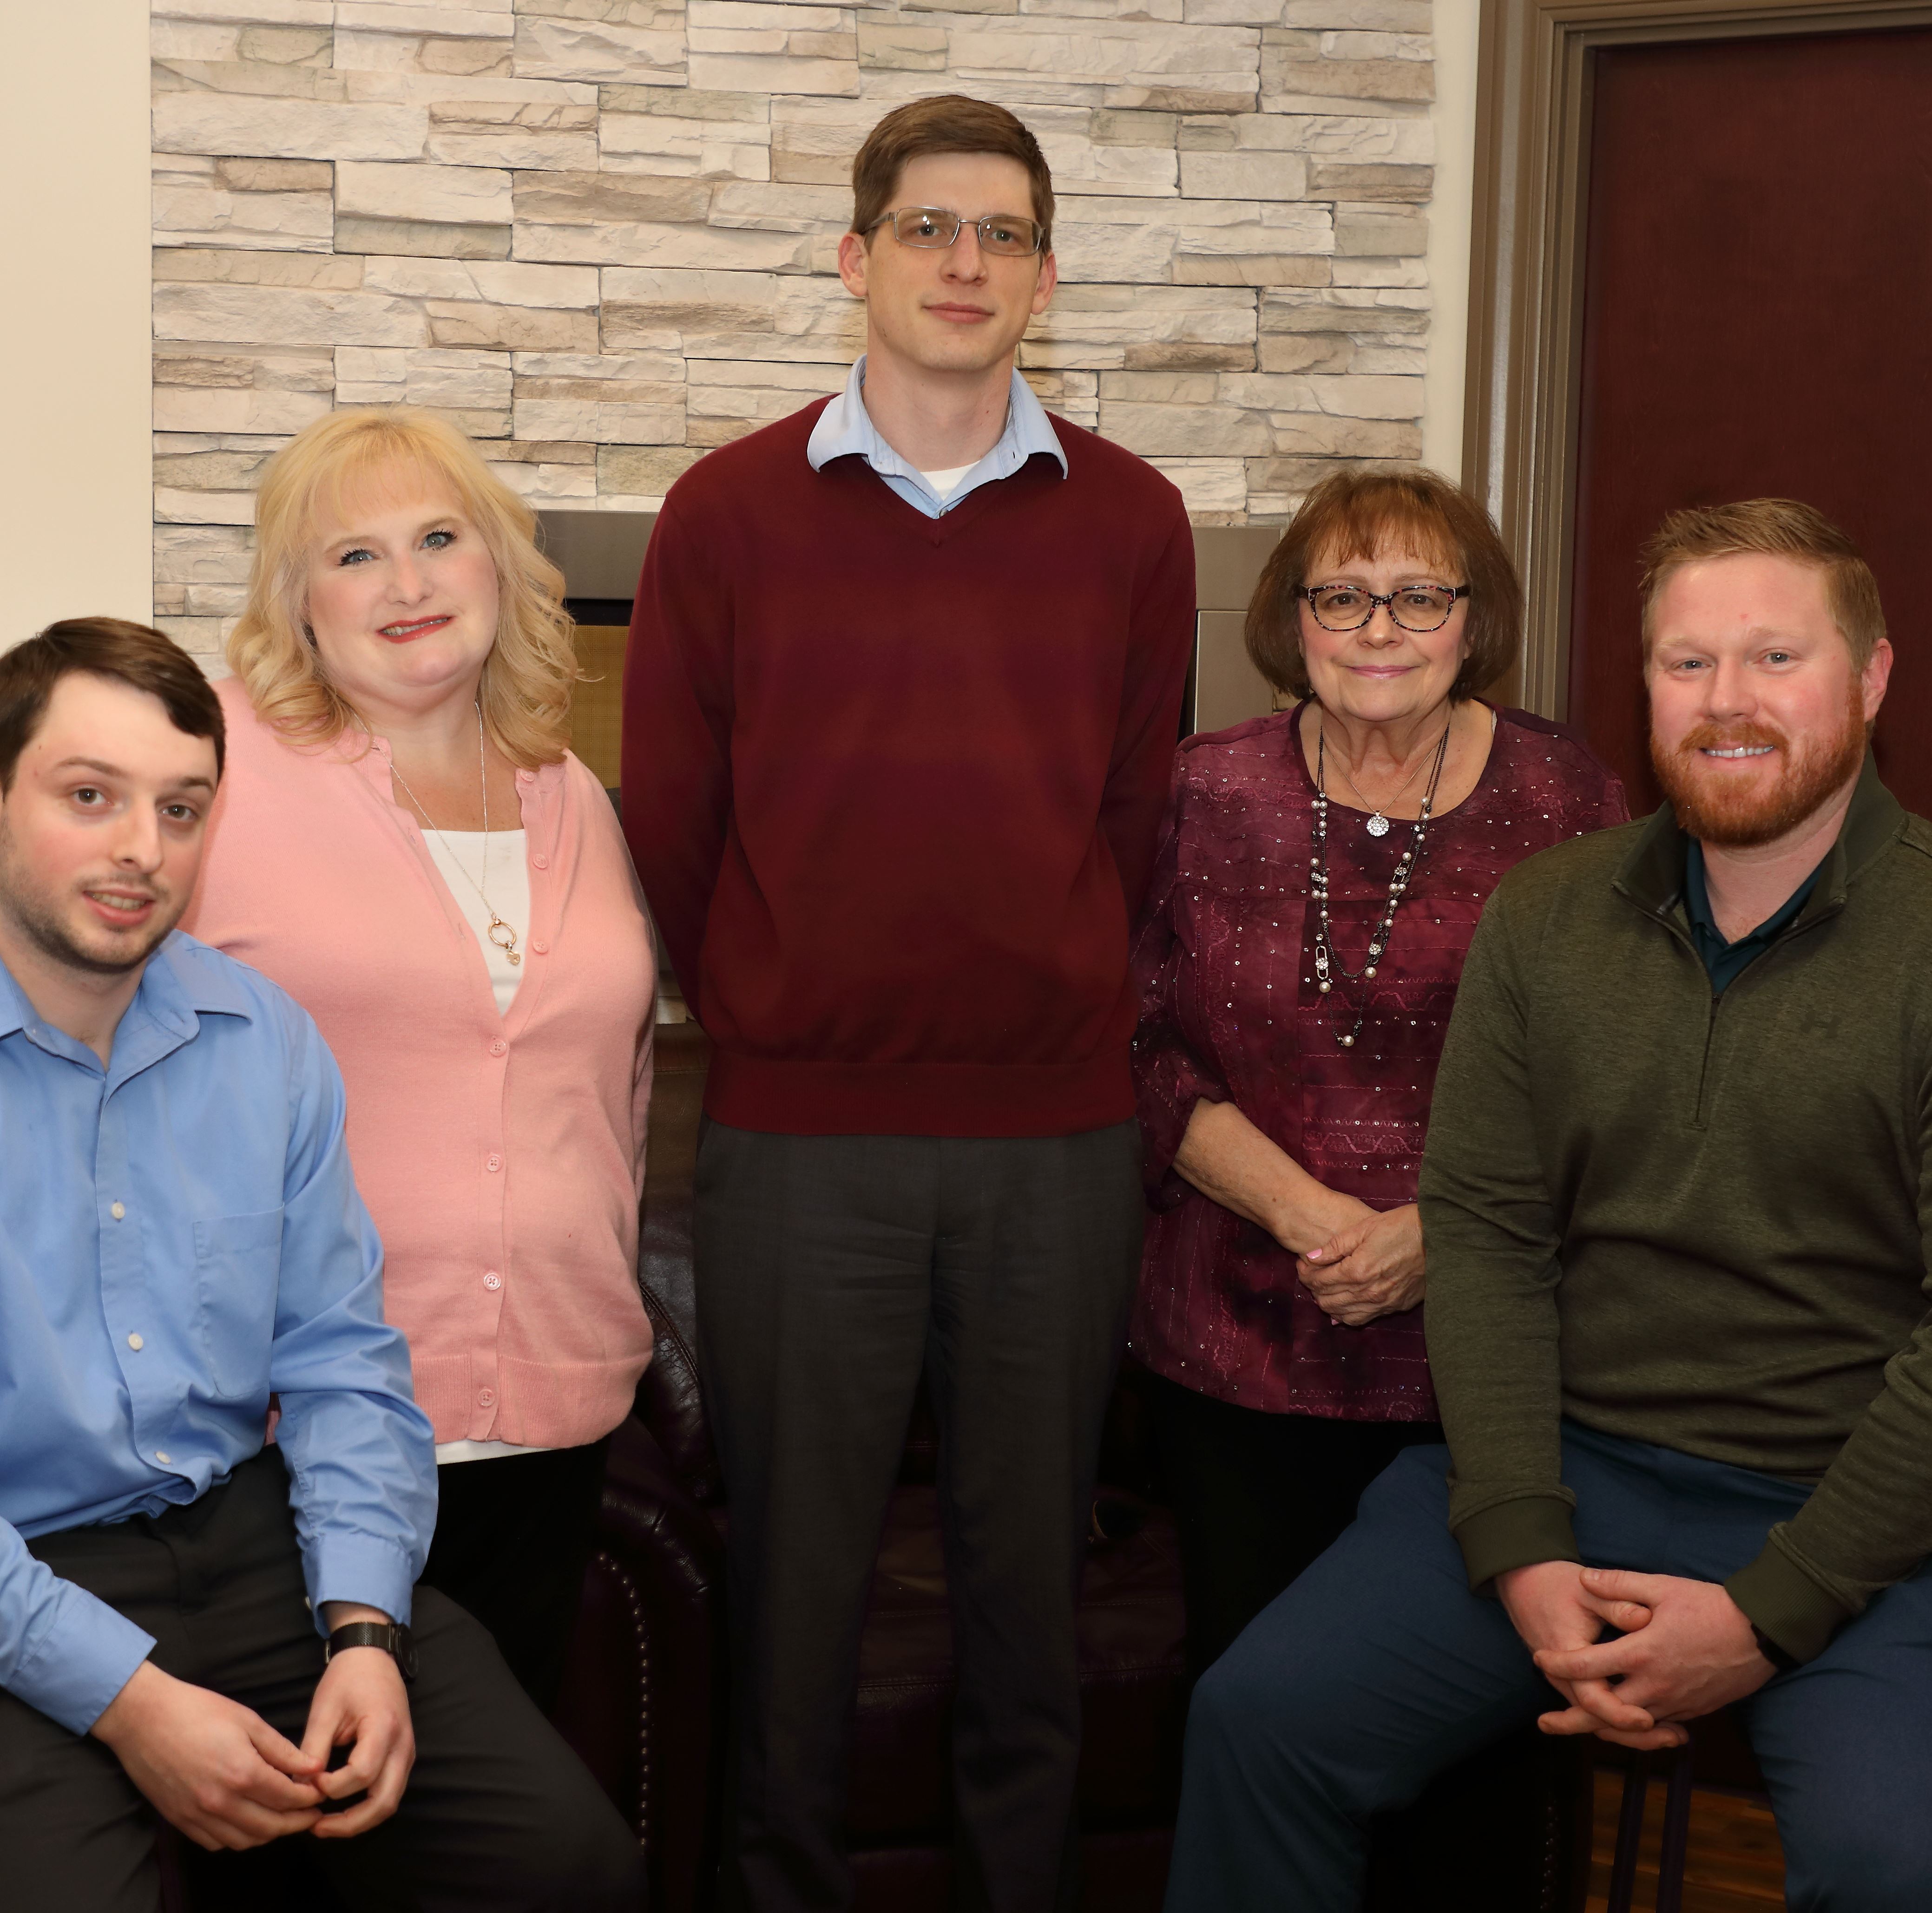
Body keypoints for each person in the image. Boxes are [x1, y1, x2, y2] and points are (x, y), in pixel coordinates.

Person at [1169, 501, 1932, 1912]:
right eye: (1686, 665)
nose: (1725, 703)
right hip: (1582, 1467)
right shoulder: (1548, 915)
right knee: (1258, 1723)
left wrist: (1768, 1614)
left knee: (1897, 1875)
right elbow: (1486, 1239)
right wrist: (1518, 1537)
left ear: (1868, 680)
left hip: (1899, 1521)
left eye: (1772, 659)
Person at [0, 620, 642, 1911]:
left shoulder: (261, 1039)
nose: (140, 850)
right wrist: (135, 1703)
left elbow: (341, 1363)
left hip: (240, 1542)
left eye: (181, 807)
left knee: (568, 1865)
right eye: (88, 797)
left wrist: (367, 1630)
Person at [619, 94, 1196, 1913]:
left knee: (1024, 1579)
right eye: (931, 230)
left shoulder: (1133, 520)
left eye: (1004, 234)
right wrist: (781, 1013)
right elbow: (675, 824)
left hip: (1055, 1142)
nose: (967, 265)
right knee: (796, 1587)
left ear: (1043, 273)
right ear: (857, 256)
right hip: (802, 1141)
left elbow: (1133, 811)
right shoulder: (723, 514)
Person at [188, 404, 658, 1713]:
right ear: (296, 605)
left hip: (553, 1412)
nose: (404, 584)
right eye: (352, 555)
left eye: (439, 538)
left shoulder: (569, 792)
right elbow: (4, 971)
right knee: (308, 1819)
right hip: (292, 1425)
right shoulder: (216, 766)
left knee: (489, 1838)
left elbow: (609, 1087)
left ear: (499, 567)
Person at [1129, 467, 1625, 1686]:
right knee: (1248, 1705)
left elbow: (1618, 1074)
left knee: (1457, 1742)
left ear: (1476, 617)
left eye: (1417, 597)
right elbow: (1138, 1046)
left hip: (1485, 1362)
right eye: (1340, 598)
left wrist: (1437, 1233)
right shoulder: (1198, 790)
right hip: (1232, 1349)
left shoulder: (1569, 802)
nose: (1378, 632)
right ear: (1290, 621)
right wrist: (1304, 1213)